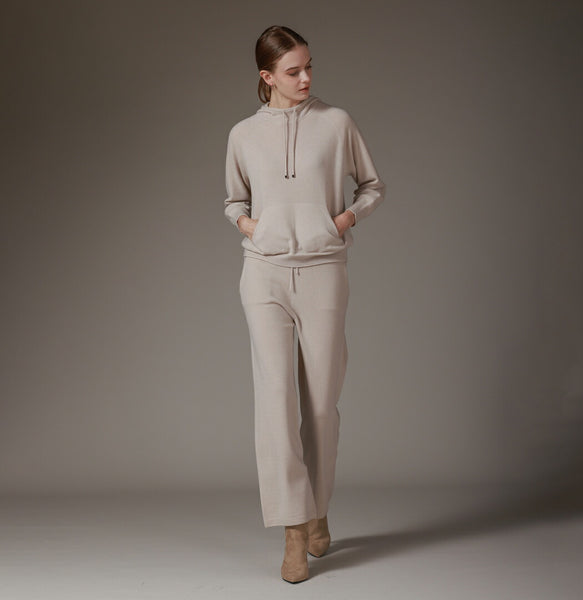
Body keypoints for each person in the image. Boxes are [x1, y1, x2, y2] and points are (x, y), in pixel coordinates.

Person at [223, 25, 385, 583]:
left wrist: (341, 221)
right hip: (263, 275)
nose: (307, 78)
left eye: (310, 66)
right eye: (293, 71)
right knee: (274, 402)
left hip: (322, 272)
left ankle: (318, 506)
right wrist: (251, 226)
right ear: (267, 77)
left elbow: (372, 185)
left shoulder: (336, 123)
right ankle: (294, 530)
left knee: (320, 407)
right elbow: (233, 199)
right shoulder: (243, 134)